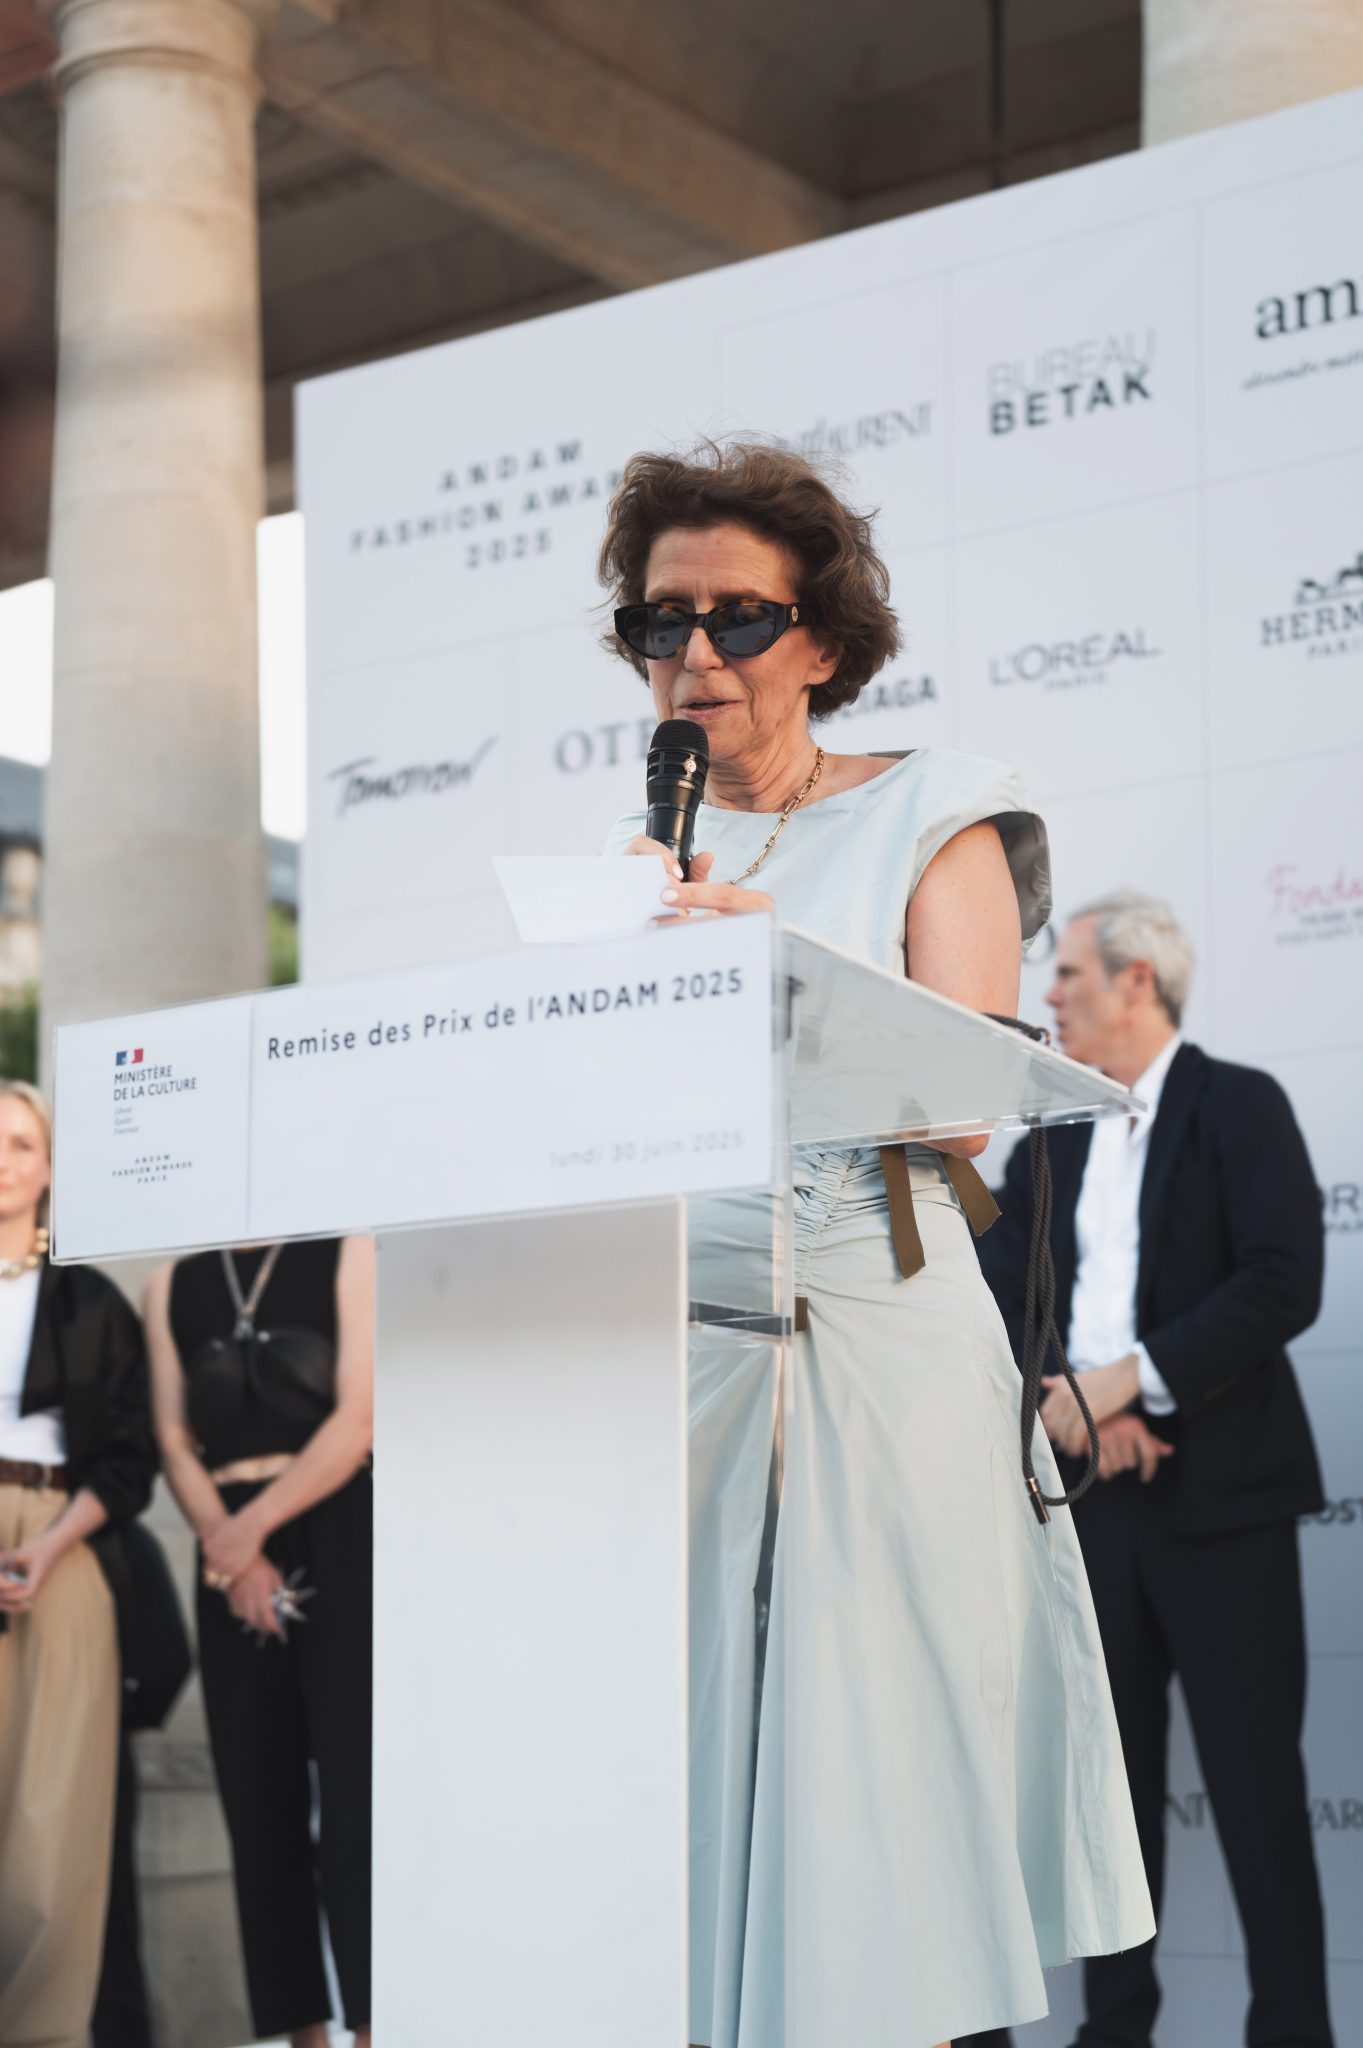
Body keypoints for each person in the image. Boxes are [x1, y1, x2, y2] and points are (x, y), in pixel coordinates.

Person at [599, 439, 1154, 2048]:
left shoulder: (936, 811)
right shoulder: (647, 853)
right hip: (681, 1353)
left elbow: (968, 1104)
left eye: (736, 621)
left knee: (880, 1776)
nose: (693, 656)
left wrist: (776, 963)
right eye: (659, 624)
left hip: (873, 1331)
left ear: (823, 642)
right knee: (710, 1784)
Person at [978, 891, 1332, 2048]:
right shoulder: (1051, 1136)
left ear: (1138, 981)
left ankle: (1293, 2030)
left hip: (1222, 1508)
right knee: (1111, 1806)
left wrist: (1122, 1384)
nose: (1050, 995)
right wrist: (1073, 1407)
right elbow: (1003, 1298)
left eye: (1070, 973)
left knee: (1256, 1795)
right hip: (1095, 1508)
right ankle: (1113, 2031)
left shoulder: (1240, 1103)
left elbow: (1280, 1281)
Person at [144, 1236, 375, 2048]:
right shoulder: (168, 1281)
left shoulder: (349, 1249)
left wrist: (248, 1534)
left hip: (336, 1525)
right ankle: (300, 2033)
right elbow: (173, 1440)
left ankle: (372, 2027)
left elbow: (358, 1418)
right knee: (257, 1795)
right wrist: (227, 1544)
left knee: (357, 1795)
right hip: (227, 1546)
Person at [0, 1078, 157, 2048]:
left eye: (19, 1142)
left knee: (56, 1827)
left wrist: (52, 1545)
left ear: (50, 1169)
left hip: (60, 1538)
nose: (2, 1159)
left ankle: (39, 2033)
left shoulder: (87, 1295)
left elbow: (130, 1449)